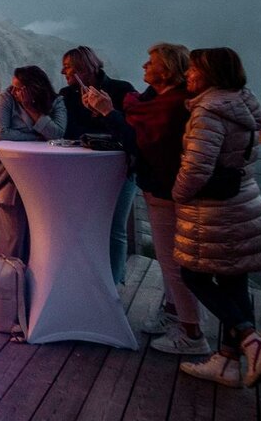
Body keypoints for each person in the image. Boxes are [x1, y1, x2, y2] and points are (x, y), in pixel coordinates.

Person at [84, 43, 207, 354]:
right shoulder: (154, 101)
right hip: (160, 188)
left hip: (167, 190)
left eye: (151, 62)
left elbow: (139, 141)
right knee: (170, 260)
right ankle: (173, 313)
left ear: (167, 69)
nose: (144, 66)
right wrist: (109, 112)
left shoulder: (172, 105)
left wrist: (108, 112)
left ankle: (192, 335)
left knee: (173, 261)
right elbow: (135, 127)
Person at [169, 48, 261, 388]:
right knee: (233, 281)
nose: (188, 74)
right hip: (243, 200)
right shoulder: (242, 105)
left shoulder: (208, 112)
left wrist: (178, 194)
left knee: (193, 274)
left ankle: (251, 340)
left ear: (210, 74)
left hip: (215, 210)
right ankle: (228, 363)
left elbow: (197, 167)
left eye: (194, 69)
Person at [60, 46, 138, 284]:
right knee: (86, 226)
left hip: (120, 171)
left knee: (115, 227)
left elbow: (134, 132)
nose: (63, 72)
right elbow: (67, 132)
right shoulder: (67, 94)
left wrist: (104, 112)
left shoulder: (122, 89)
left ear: (84, 68)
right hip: (83, 172)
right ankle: (90, 281)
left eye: (68, 67)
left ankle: (113, 284)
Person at [0, 66, 66, 261]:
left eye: (19, 88)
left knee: (40, 231)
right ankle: (11, 271)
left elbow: (57, 134)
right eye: (13, 86)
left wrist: (31, 108)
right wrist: (38, 137)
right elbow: (1, 133)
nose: (14, 91)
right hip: (8, 173)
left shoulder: (56, 102)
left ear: (33, 88)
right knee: (12, 233)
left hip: (43, 174)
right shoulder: (6, 99)